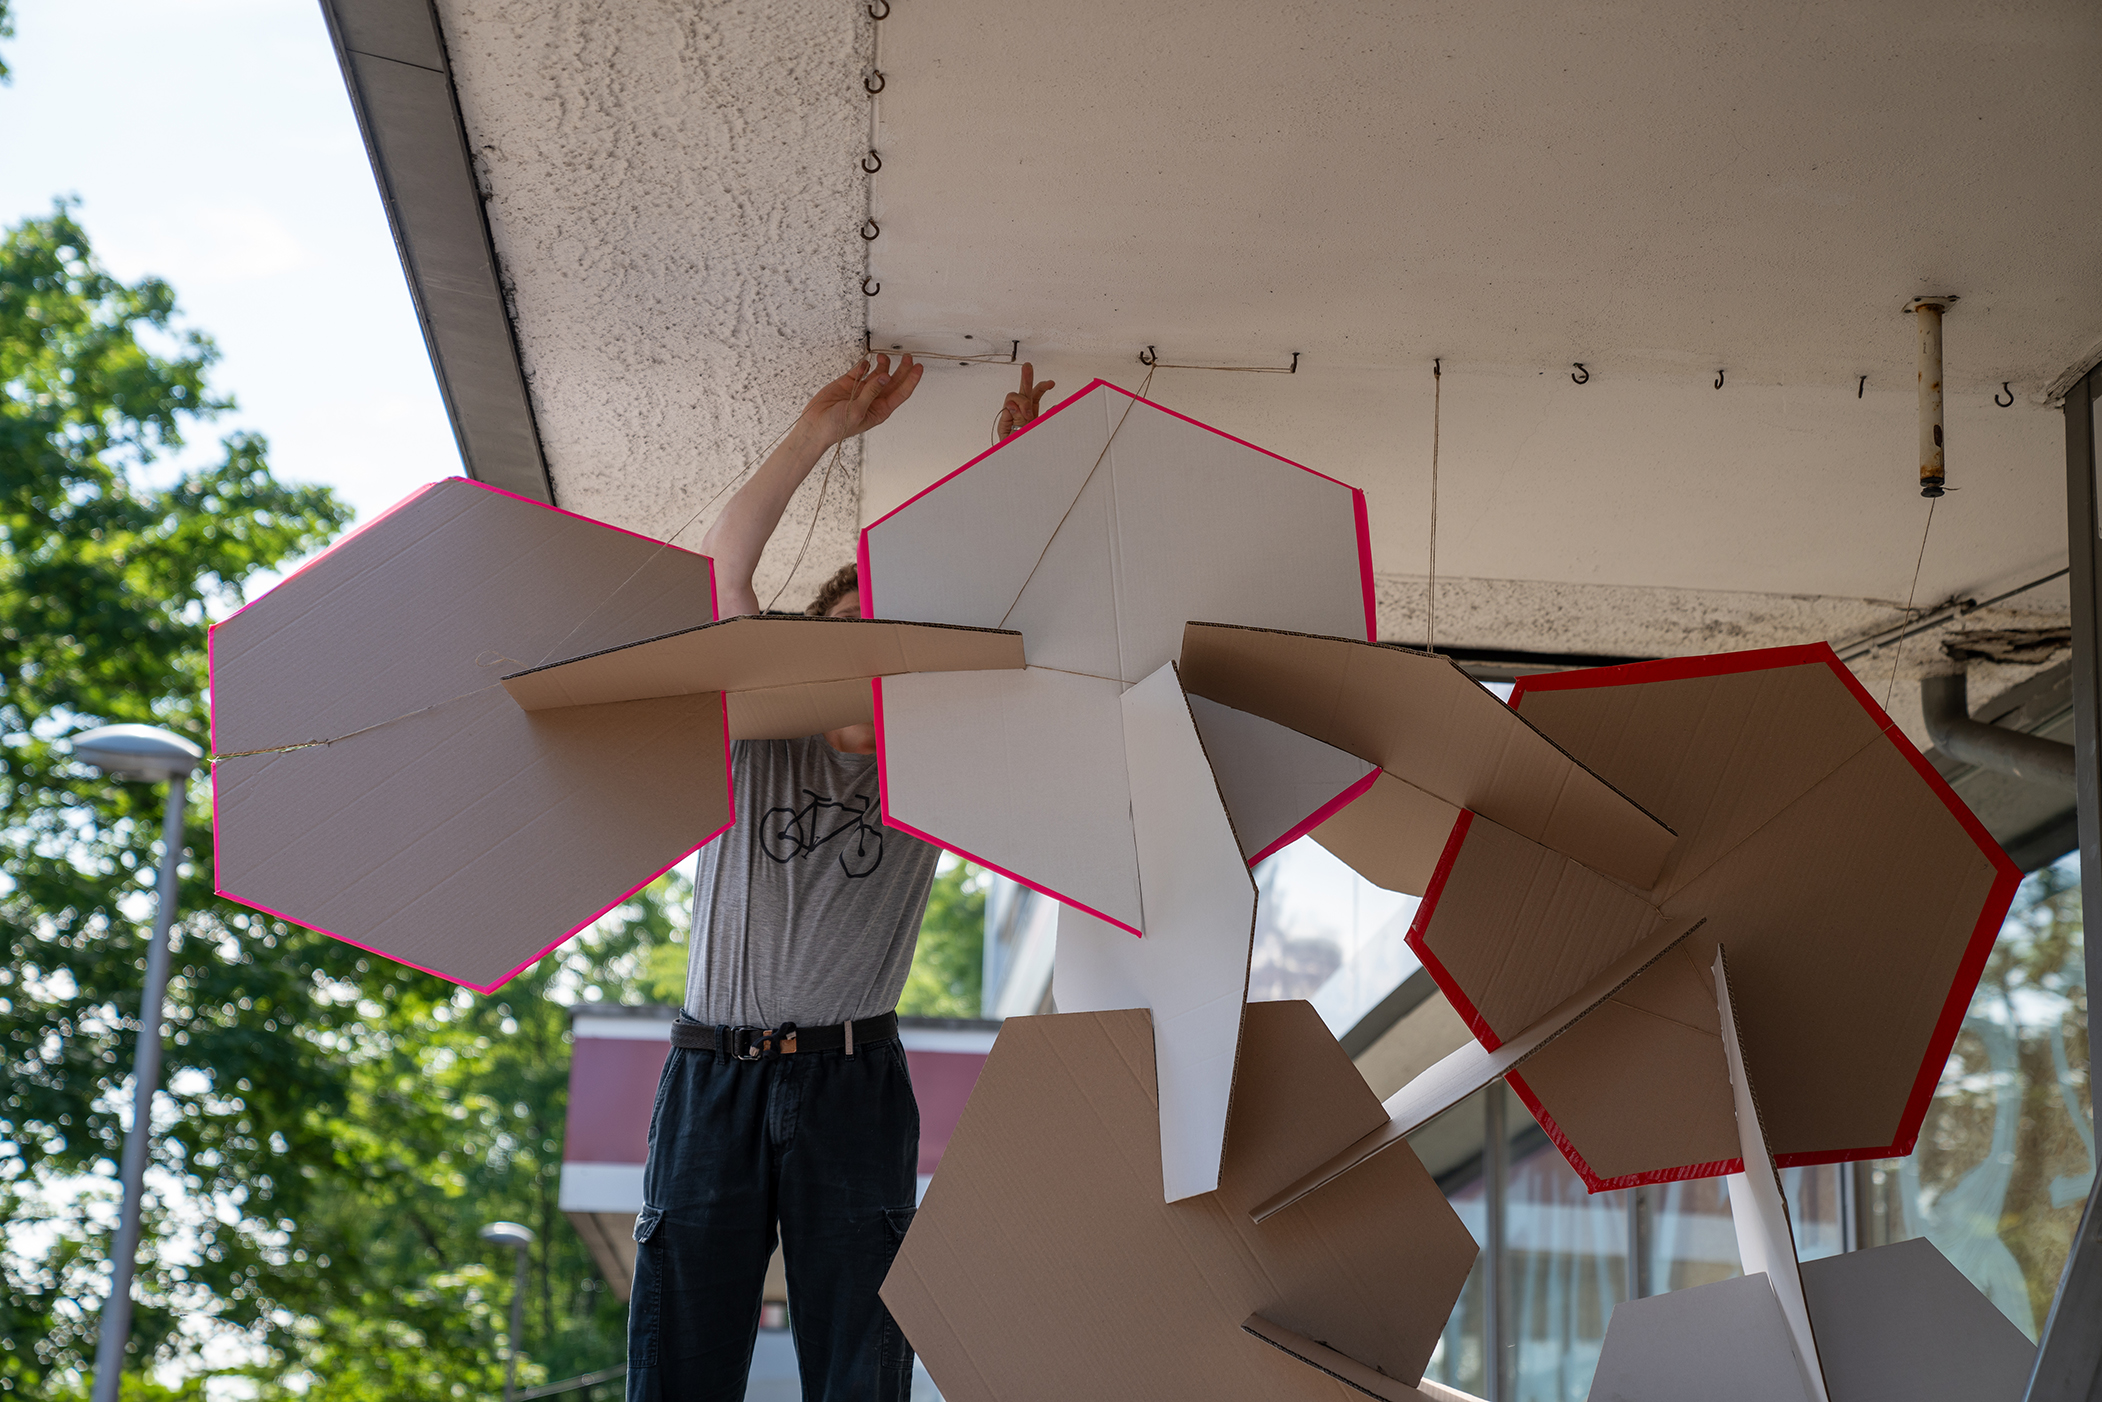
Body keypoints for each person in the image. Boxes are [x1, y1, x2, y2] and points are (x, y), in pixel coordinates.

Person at [626, 357, 1057, 1402]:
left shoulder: (931, 762)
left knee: (862, 1367)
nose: (861, 659)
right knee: (680, 1360)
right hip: (714, 1074)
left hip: (852, 1085)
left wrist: (1011, 473)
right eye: (843, 633)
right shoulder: (754, 738)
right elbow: (723, 574)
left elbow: (1005, 623)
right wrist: (817, 434)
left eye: (882, 637)